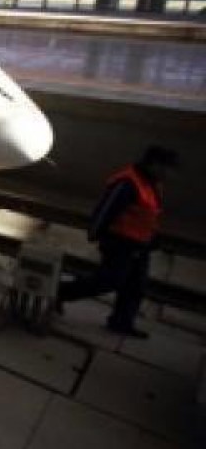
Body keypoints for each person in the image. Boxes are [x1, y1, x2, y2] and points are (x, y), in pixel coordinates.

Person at [56, 145, 179, 339]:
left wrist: (152, 239)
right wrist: (95, 233)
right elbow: (106, 210)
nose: (170, 174)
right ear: (155, 164)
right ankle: (59, 292)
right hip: (120, 243)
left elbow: (147, 214)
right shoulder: (127, 183)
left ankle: (121, 322)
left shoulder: (154, 183)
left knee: (135, 286)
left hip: (140, 245)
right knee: (108, 281)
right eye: (168, 168)